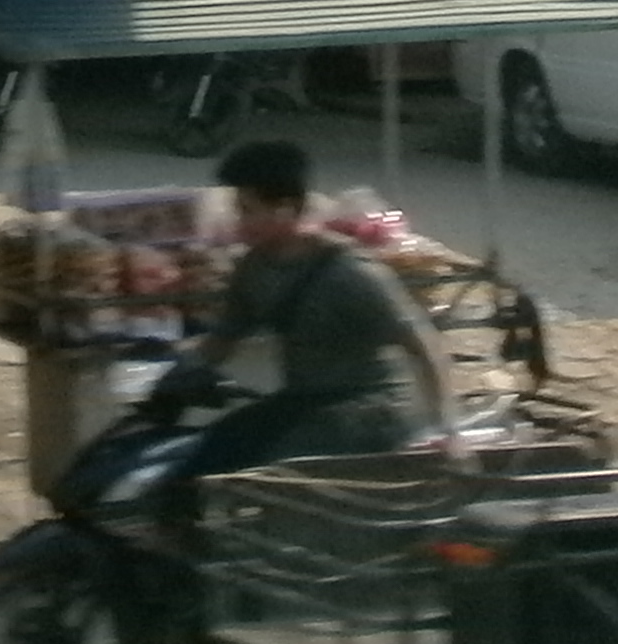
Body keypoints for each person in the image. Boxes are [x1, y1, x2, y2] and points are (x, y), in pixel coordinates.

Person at [163, 137, 454, 479]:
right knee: (209, 455)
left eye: (248, 210)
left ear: (285, 208)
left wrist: (448, 427)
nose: (239, 220)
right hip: (305, 401)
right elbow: (223, 340)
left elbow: (424, 346)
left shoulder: (351, 273)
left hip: (371, 407)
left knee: (272, 469)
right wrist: (174, 379)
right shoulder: (252, 268)